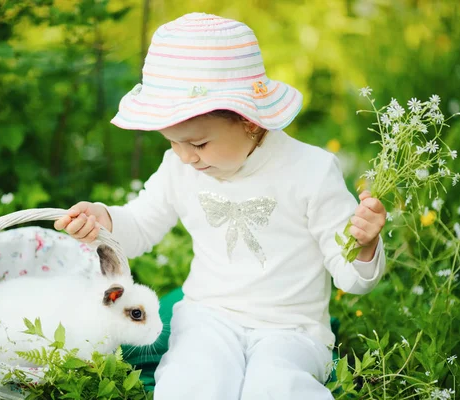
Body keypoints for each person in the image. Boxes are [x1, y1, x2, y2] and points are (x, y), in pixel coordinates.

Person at [54, 12, 386, 400]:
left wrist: (363, 246)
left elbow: (350, 278)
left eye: (197, 144)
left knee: (276, 385)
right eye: (172, 142)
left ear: (249, 121)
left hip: (291, 327)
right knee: (192, 379)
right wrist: (104, 219)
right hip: (208, 316)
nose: (185, 157)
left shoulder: (311, 171)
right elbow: (142, 225)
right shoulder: (180, 167)